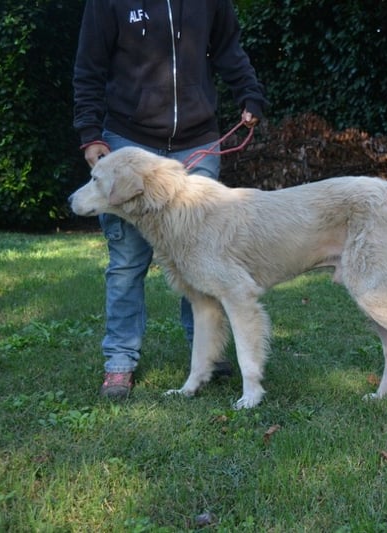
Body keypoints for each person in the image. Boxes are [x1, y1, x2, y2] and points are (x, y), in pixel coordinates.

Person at [73, 0, 267, 399]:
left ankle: (206, 354)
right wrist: (90, 133)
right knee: (127, 261)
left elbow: (228, 47)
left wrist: (249, 93)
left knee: (203, 255)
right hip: (128, 142)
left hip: (198, 141)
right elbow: (89, 66)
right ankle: (120, 362)